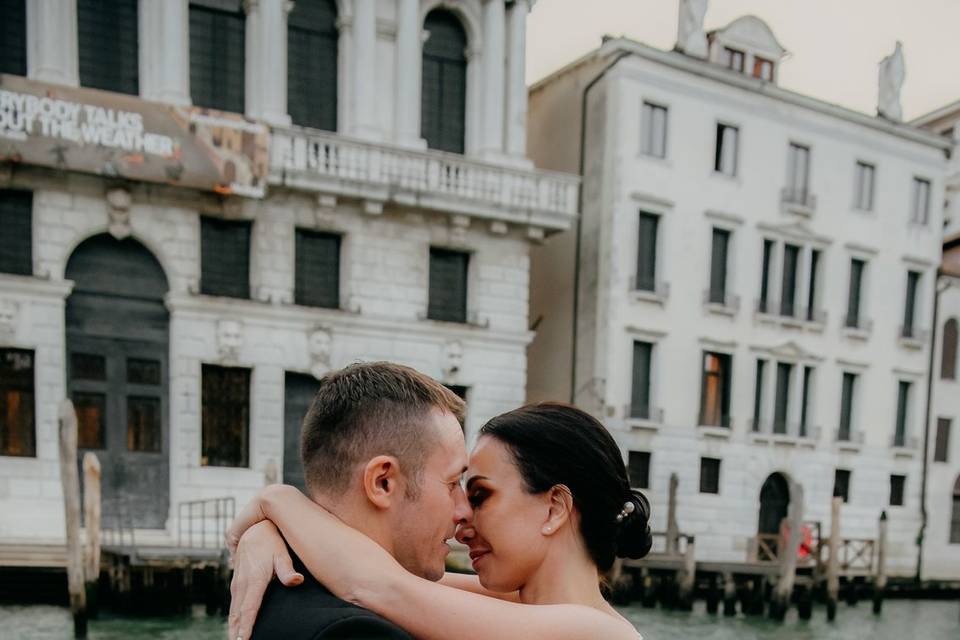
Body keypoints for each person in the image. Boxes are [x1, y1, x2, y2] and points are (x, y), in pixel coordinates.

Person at [228, 402, 653, 640]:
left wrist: (279, 500)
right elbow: (367, 562)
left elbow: (376, 584)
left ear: (555, 508)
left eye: (481, 495)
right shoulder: (518, 609)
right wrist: (268, 534)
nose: (463, 517)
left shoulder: (598, 634)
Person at [230, 361, 472, 639]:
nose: (464, 510)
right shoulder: (356, 631)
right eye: (453, 483)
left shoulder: (281, 591)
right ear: (383, 482)